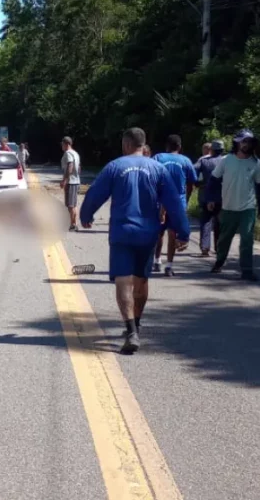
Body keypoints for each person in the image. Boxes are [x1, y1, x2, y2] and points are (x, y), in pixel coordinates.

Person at [80, 128, 190, 354]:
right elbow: (174, 203)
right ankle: (137, 324)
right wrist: (183, 232)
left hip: (122, 232)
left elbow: (95, 194)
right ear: (143, 144)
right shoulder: (158, 169)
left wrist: (86, 216)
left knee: (123, 280)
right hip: (148, 233)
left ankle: (130, 331)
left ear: (127, 144)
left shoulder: (115, 167)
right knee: (141, 280)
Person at [207, 129, 260, 281]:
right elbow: (213, 180)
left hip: (248, 207)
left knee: (247, 238)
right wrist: (211, 199)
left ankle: (247, 270)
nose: (246, 144)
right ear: (238, 143)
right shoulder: (226, 160)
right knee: (224, 238)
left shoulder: (256, 163)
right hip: (228, 206)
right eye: (244, 141)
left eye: (249, 142)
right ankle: (219, 261)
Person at [152, 135, 197, 275]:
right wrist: (187, 198)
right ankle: (169, 266)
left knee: (158, 233)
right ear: (179, 147)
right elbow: (192, 183)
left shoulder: (158, 158)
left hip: (160, 201)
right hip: (178, 202)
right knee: (173, 234)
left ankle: (157, 260)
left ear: (167, 146)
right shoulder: (186, 161)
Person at [194, 140, 225, 256]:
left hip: (207, 196)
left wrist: (197, 183)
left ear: (211, 149)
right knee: (219, 223)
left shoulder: (204, 161)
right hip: (224, 197)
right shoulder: (226, 162)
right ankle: (219, 247)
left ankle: (205, 247)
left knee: (206, 221)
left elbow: (193, 172)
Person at [60, 136, 81, 231]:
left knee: (70, 205)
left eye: (62, 144)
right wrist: (77, 176)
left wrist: (65, 180)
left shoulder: (68, 153)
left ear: (67, 144)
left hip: (71, 182)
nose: (62, 146)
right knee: (73, 204)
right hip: (76, 181)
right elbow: (79, 168)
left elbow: (70, 166)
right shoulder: (75, 153)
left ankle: (73, 224)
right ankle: (74, 223)